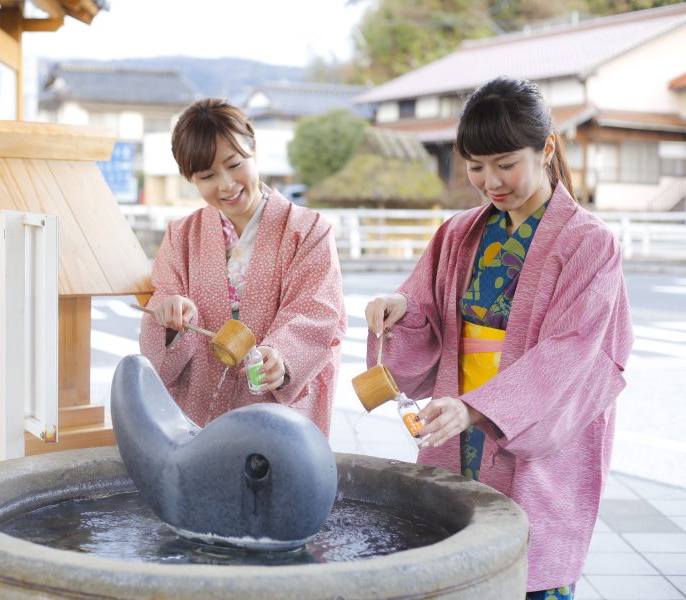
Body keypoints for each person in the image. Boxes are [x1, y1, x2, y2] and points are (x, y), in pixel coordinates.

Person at [364, 77, 633, 598]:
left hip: (531, 425)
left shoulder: (588, 243)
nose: (491, 181)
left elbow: (571, 352)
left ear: (547, 148)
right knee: (456, 567)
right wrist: (401, 310)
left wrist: (479, 408)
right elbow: (426, 310)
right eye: (476, 166)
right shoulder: (457, 233)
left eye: (506, 164)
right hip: (458, 420)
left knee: (529, 572)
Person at [139, 98, 346, 436]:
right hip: (199, 403)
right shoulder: (182, 236)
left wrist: (280, 355)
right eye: (207, 176)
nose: (226, 184)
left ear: (253, 149)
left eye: (234, 164)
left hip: (275, 408)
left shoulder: (309, 230)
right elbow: (164, 299)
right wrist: (171, 316)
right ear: (191, 178)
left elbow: (316, 310)